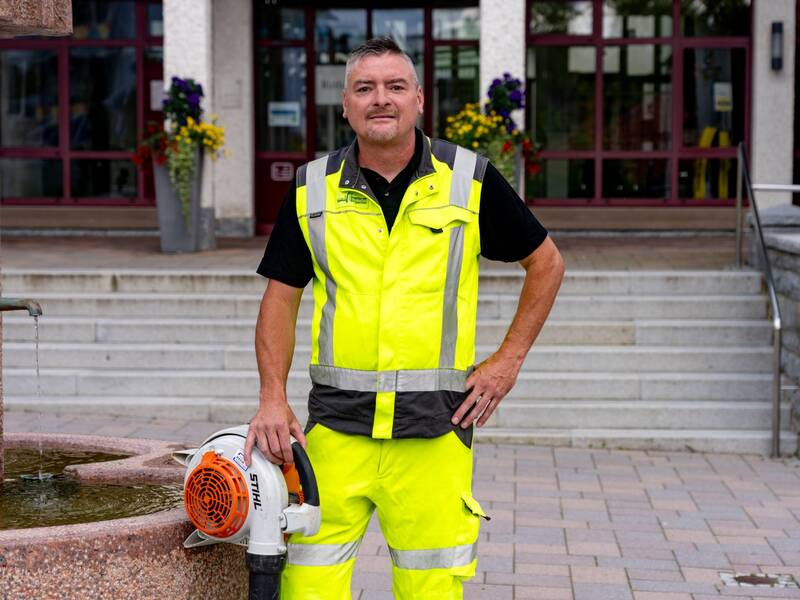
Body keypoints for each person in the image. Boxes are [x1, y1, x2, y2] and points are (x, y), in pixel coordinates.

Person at [245, 37, 564, 600]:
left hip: (435, 434)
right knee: (304, 588)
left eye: (395, 87)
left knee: (431, 589)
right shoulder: (310, 189)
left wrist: (506, 361)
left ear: (419, 99)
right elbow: (280, 297)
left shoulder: (470, 179)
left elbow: (546, 264)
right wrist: (273, 396)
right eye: (365, 89)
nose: (381, 99)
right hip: (335, 436)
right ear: (344, 105)